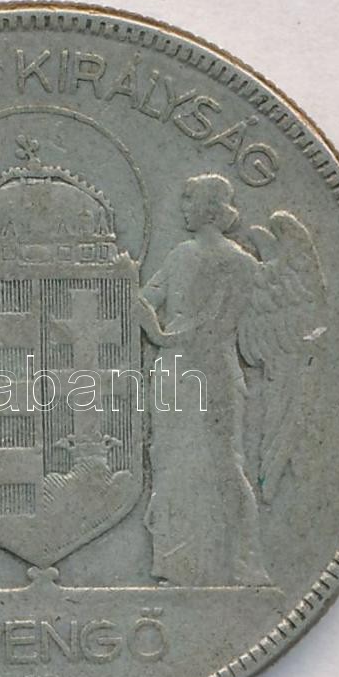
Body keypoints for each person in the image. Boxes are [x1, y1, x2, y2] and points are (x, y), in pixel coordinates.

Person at [139, 174, 270, 586]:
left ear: (209, 209)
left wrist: (160, 334)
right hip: (206, 369)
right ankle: (238, 562)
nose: (183, 208)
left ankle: (185, 563)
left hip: (186, 368)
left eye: (189, 200)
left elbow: (146, 302)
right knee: (217, 463)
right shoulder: (241, 263)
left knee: (184, 462)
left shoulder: (194, 258)